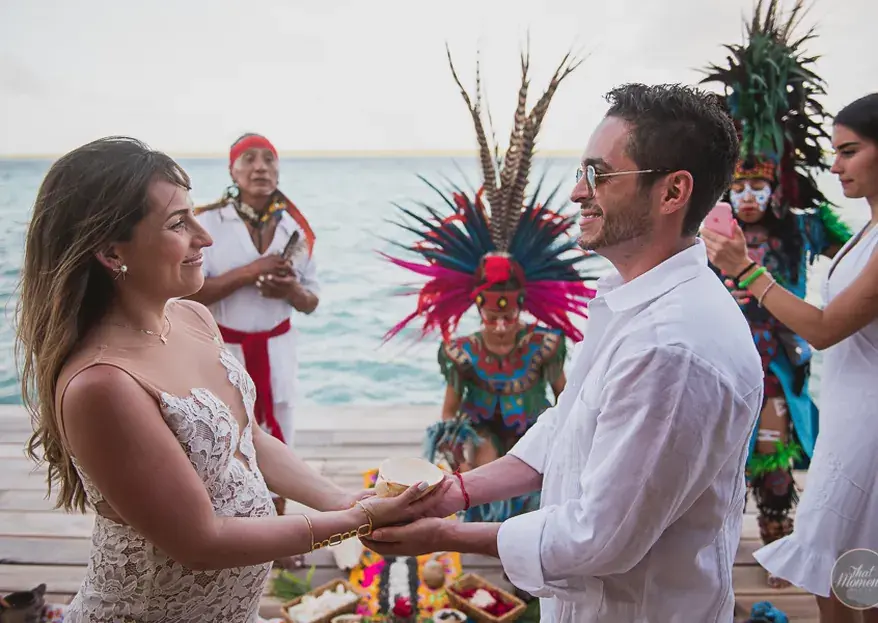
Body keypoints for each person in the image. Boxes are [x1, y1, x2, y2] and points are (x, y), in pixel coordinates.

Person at [363, 83, 763, 622]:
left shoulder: (672, 348)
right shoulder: (626, 296)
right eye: (581, 173)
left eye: (599, 174)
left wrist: (444, 535)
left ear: (672, 193)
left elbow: (600, 538)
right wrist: (455, 491)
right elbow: (568, 425)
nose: (578, 193)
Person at [14, 136, 447, 623]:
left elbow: (252, 441)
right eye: (179, 223)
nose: (206, 236)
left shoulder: (194, 318)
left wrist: (341, 499)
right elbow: (202, 542)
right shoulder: (103, 384)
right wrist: (354, 522)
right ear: (112, 253)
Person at [381, 45, 596, 525]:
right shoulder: (461, 352)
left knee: (539, 465)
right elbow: (450, 414)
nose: (500, 322)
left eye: (508, 311)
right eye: (491, 312)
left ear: (522, 307)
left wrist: (578, 444)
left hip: (533, 430)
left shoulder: (544, 345)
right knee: (479, 457)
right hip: (483, 433)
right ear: (478, 309)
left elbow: (567, 399)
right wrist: (444, 453)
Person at [703, 92, 878, 623]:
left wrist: (748, 271)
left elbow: (824, 329)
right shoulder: (867, 229)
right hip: (847, 416)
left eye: (849, 151)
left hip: (867, 427)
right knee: (834, 564)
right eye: (833, 151)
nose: (835, 164)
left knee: (857, 572)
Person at [698, 0, 852, 587]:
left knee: (775, 462)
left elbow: (855, 251)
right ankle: (710, 555)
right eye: (739, 185)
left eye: (760, 184)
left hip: (779, 361)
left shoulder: (801, 227)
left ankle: (778, 553)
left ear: (776, 184)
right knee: (712, 460)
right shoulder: (703, 230)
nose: (750, 197)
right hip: (717, 353)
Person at [189, 133, 318, 525]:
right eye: (249, 159)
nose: (261, 167)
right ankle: (224, 526)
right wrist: (249, 272)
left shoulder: (298, 228)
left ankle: (277, 530)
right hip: (222, 349)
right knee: (222, 435)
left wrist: (290, 289)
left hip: (278, 348)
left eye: (269, 160)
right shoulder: (207, 222)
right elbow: (191, 290)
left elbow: (311, 301)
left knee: (280, 432)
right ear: (232, 170)